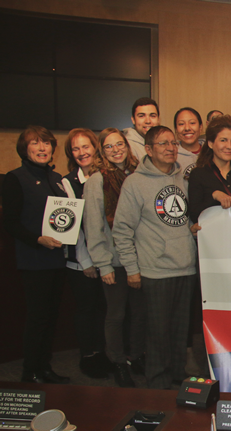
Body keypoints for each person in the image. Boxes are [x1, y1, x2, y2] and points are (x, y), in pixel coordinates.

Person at [113, 125, 199, 389]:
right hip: (155, 271)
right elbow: (122, 229)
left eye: (173, 143)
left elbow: (184, 219)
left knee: (178, 332)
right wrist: (131, 269)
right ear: (148, 150)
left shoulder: (182, 180)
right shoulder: (135, 183)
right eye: (163, 144)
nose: (170, 148)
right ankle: (157, 384)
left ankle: (176, 376)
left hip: (185, 268)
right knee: (158, 334)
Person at [2, 126, 69, 384]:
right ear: (25, 148)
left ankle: (45, 367)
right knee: (37, 318)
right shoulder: (15, 178)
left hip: (56, 259)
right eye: (35, 144)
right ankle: (29, 371)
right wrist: (37, 239)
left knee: (52, 317)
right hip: (34, 259)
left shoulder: (56, 178)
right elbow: (9, 222)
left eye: (46, 144)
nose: (42, 148)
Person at [83, 128, 146, 387]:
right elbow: (94, 224)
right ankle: (118, 361)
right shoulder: (97, 181)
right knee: (116, 315)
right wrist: (103, 263)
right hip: (114, 261)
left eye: (119, 144)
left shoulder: (140, 174)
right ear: (102, 151)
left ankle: (135, 356)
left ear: (127, 146)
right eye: (108, 147)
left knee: (140, 314)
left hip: (141, 259)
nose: (115, 150)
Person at [61, 128, 109, 379]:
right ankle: (88, 355)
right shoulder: (67, 183)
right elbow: (76, 226)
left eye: (86, 147)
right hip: (82, 262)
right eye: (76, 149)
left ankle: (103, 353)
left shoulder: (107, 177)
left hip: (107, 259)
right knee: (86, 309)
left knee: (104, 308)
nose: (82, 153)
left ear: (95, 147)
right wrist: (87, 260)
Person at [189, 115, 231, 222]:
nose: (229, 146)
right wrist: (213, 196)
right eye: (223, 140)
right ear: (211, 144)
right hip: (214, 235)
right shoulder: (198, 174)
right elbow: (194, 215)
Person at [122, 97, 160, 162]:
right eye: (141, 116)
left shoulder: (165, 143)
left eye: (152, 116)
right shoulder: (127, 147)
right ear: (133, 120)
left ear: (158, 119)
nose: (148, 121)